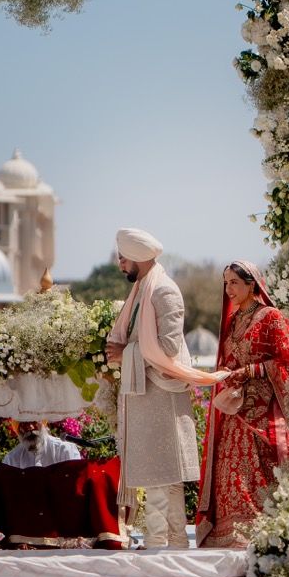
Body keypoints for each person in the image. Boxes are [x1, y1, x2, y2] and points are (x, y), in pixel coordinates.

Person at [106, 228, 229, 549]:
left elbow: (170, 347)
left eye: (122, 257)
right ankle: (174, 541)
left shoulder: (163, 291)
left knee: (162, 474)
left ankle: (158, 542)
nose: (119, 264)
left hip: (162, 391)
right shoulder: (144, 289)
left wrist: (126, 354)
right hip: (149, 393)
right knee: (165, 475)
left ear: (136, 256)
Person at [195, 260, 289, 549]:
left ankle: (260, 535)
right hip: (233, 411)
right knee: (229, 472)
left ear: (251, 284)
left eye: (234, 283)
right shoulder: (231, 322)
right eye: (226, 283)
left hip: (262, 413)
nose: (228, 289)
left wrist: (251, 371)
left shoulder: (271, 317)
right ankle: (227, 534)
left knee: (255, 474)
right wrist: (228, 374)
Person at [1, 420, 83, 468]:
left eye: (34, 422)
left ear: (42, 423)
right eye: (24, 424)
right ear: (18, 429)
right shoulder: (11, 459)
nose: (30, 427)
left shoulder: (65, 450)